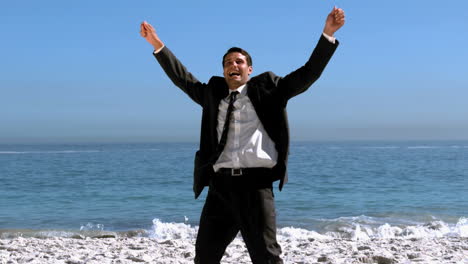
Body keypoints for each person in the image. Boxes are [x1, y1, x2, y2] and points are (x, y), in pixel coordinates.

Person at [140, 6, 345, 264]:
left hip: (255, 188)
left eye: (239, 62)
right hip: (220, 189)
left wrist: (327, 34)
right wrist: (157, 44)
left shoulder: (270, 90)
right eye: (227, 63)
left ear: (249, 69)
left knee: (266, 258)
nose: (232, 65)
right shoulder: (212, 95)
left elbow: (308, 73)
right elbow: (182, 79)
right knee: (204, 257)